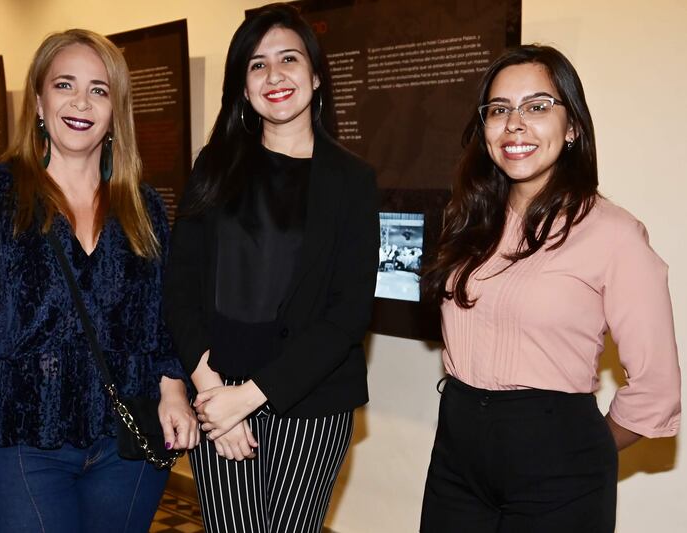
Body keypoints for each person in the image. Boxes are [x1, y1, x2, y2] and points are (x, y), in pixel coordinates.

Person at [0, 29, 199, 532]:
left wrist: (174, 387)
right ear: (40, 103)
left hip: (126, 448)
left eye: (99, 89)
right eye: (64, 84)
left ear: (115, 111)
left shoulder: (142, 206)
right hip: (20, 446)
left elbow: (163, 318)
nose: (81, 102)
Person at [420, 44, 681, 532]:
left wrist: (574, 451)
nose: (515, 123)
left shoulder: (614, 233)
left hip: (558, 466)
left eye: (537, 106)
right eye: (499, 110)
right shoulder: (467, 220)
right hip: (457, 455)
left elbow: (657, 390)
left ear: (573, 127)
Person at [163, 4, 379, 532]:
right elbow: (179, 287)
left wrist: (248, 397)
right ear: (242, 84)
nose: (274, 75)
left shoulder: (352, 180)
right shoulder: (213, 167)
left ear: (316, 74)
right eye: (257, 65)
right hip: (217, 388)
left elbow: (347, 315)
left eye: (288, 58)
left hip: (310, 400)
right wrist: (213, 391)